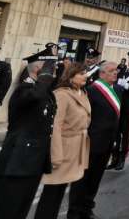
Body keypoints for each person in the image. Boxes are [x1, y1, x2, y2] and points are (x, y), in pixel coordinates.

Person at [0, 47, 58, 219]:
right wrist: (45, 78)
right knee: (8, 210)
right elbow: (34, 98)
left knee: (22, 209)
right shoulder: (24, 90)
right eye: (49, 65)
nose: (54, 68)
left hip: (34, 161)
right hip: (17, 161)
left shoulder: (44, 91)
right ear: (37, 69)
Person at [34, 64, 91, 219]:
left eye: (85, 73)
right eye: (81, 73)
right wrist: (56, 155)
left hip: (76, 149)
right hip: (64, 149)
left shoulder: (82, 92)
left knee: (60, 190)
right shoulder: (62, 94)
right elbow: (55, 127)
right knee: (52, 192)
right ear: (71, 76)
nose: (85, 76)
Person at [67, 61, 120, 219]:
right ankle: (74, 212)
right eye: (111, 71)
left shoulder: (117, 90)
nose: (115, 73)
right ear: (102, 74)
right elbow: (83, 117)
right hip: (90, 143)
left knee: (95, 179)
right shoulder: (91, 90)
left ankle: (87, 209)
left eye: (116, 70)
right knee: (82, 180)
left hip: (107, 142)